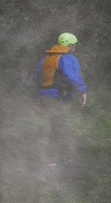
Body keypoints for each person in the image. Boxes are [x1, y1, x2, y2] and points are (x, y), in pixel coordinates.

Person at [35, 31, 87, 168]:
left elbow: (37, 78)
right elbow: (73, 76)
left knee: (58, 126)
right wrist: (82, 91)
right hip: (58, 97)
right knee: (60, 128)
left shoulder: (45, 59)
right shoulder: (67, 59)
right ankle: (55, 161)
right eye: (73, 45)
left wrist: (39, 98)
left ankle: (63, 158)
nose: (74, 48)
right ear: (69, 46)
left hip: (46, 97)